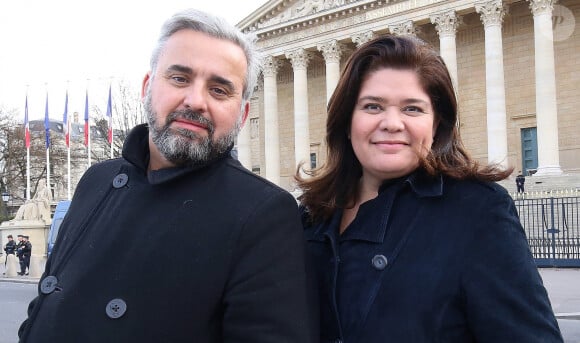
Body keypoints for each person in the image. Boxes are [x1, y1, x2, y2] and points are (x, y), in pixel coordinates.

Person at [19, 9, 316, 343]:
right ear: (148, 87)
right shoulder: (96, 181)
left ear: (243, 113)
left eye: (219, 90)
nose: (195, 100)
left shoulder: (265, 215)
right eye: (179, 78)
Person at [296, 35, 562, 342]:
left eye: (412, 109)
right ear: (347, 119)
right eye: (372, 106)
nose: (392, 123)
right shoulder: (312, 214)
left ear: (436, 126)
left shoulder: (476, 211)